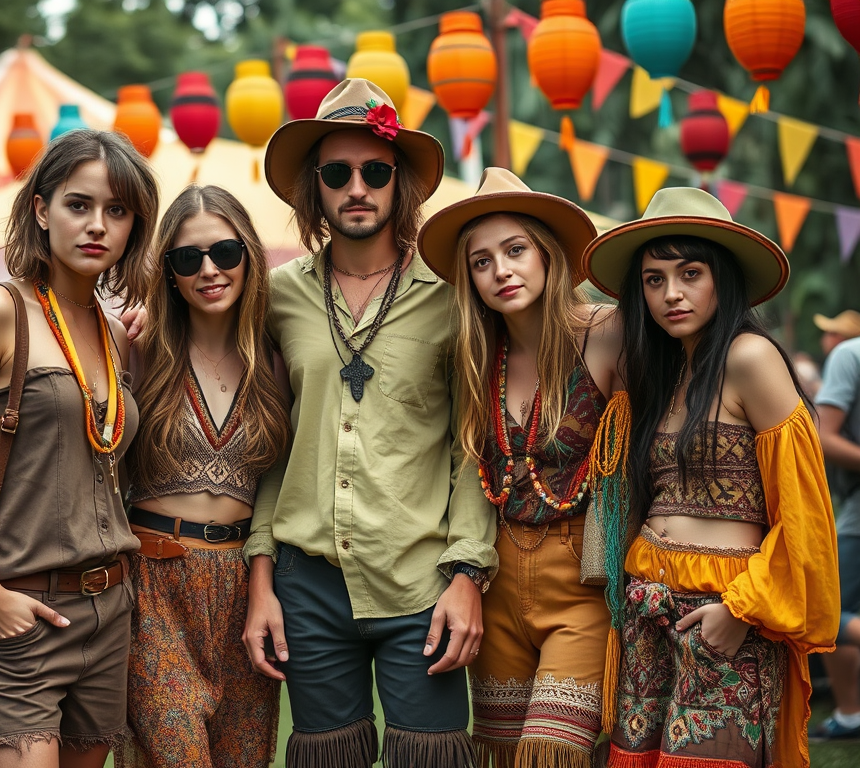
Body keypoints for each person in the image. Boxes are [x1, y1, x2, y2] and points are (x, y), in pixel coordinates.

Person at [241, 79, 498, 768]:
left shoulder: (453, 297)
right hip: (307, 583)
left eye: (375, 171)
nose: (357, 187)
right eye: (337, 173)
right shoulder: (276, 297)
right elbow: (271, 445)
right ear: (314, 188)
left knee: (431, 758)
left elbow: (471, 446)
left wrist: (468, 573)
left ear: (400, 183)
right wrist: (262, 582)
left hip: (422, 579)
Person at [0, 128, 159, 767]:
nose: (97, 224)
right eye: (79, 204)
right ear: (42, 210)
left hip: (109, 612)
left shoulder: (114, 335)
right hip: (16, 610)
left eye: (118, 211)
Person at [582, 187, 839, 767]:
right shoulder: (663, 372)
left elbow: (805, 515)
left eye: (690, 272)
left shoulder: (749, 358)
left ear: (721, 277)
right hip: (647, 609)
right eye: (653, 279)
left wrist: (742, 611)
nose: (671, 293)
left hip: (724, 611)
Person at [416, 167, 624, 767]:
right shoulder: (476, 354)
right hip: (497, 578)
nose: (500, 270)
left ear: (547, 254)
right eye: (481, 262)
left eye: (515, 250)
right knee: (505, 756)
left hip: (582, 580)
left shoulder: (608, 334)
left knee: (551, 752)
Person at [117, 184, 290, 768]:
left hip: (248, 591)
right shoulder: (139, 351)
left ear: (250, 256)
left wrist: (263, 586)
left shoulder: (275, 358)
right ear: (167, 271)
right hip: (154, 583)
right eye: (187, 258)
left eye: (225, 252)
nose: (209, 270)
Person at [810, 314, 860, 740]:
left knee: (826, 612)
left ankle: (848, 714)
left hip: (856, 517)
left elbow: (823, 434)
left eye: (832, 331)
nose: (827, 339)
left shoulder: (850, 354)